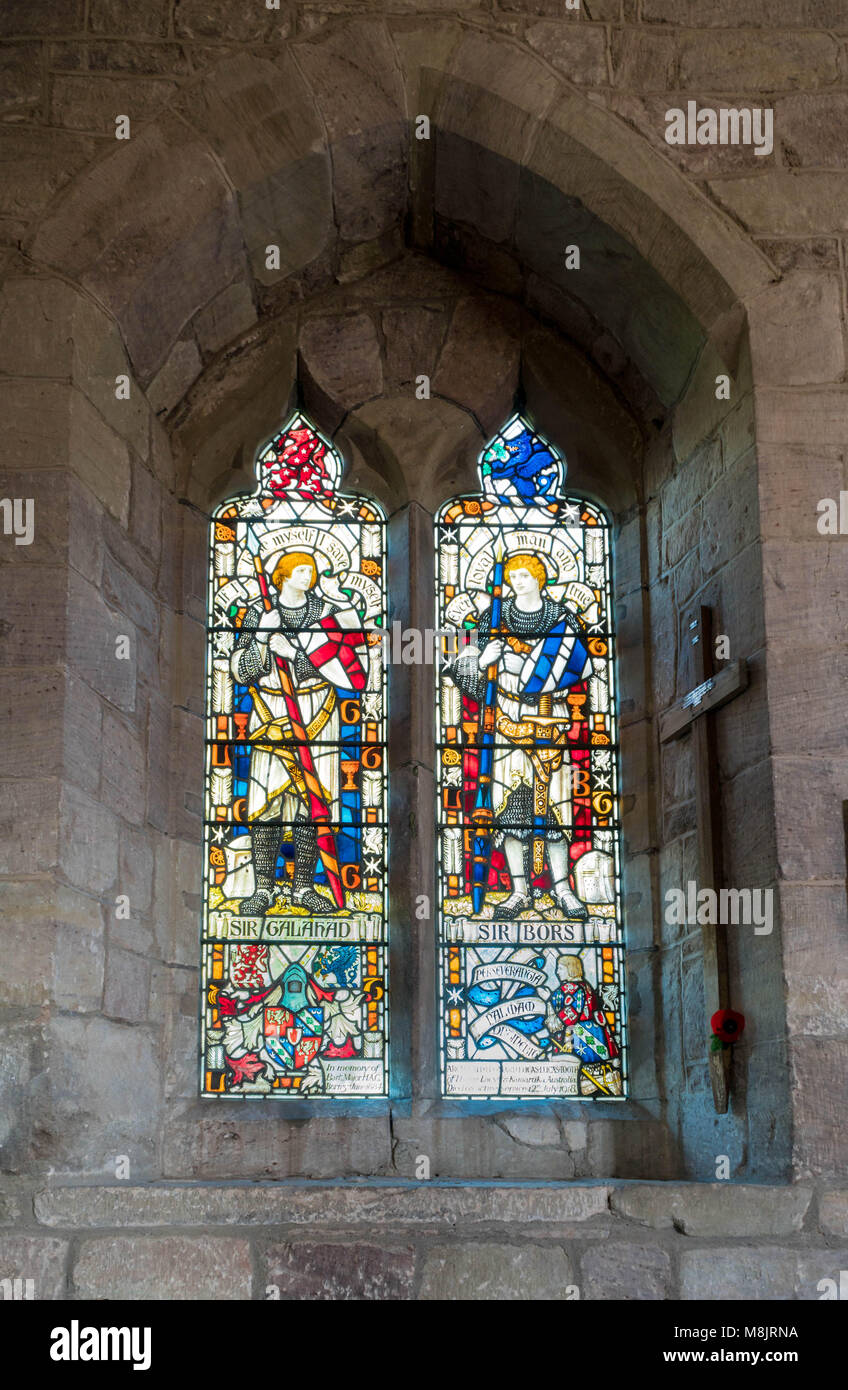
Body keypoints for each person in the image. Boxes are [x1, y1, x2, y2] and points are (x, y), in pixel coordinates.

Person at [448, 552, 590, 920]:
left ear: (540, 578)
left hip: (549, 722)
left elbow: (579, 664)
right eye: (513, 577)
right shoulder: (493, 617)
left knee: (555, 813)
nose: (518, 582)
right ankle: (519, 891)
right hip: (508, 722)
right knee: (510, 812)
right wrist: (481, 661)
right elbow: (462, 668)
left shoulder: (562, 619)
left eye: (525, 575)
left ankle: (562, 889)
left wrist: (521, 666)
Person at [230, 550, 366, 915]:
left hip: (317, 713)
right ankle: (263, 889)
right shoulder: (261, 612)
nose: (309, 575)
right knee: (266, 807)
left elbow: (345, 666)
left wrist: (293, 652)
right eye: (301, 570)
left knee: (312, 804)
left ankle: (304, 888)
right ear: (282, 576)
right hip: (272, 713)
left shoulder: (325, 614)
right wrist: (261, 638)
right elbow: (242, 671)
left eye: (311, 570)